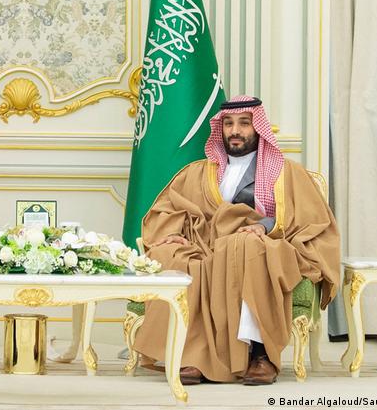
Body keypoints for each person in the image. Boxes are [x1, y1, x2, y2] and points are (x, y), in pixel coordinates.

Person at [132, 95, 340, 385]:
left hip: (267, 245)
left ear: (258, 127)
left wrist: (263, 227)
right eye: (228, 124)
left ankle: (260, 354)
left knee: (245, 247)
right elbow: (168, 208)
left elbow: (308, 219)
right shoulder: (199, 172)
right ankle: (191, 356)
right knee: (172, 256)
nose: (235, 131)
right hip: (207, 246)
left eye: (244, 123)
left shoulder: (284, 172)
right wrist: (172, 235)